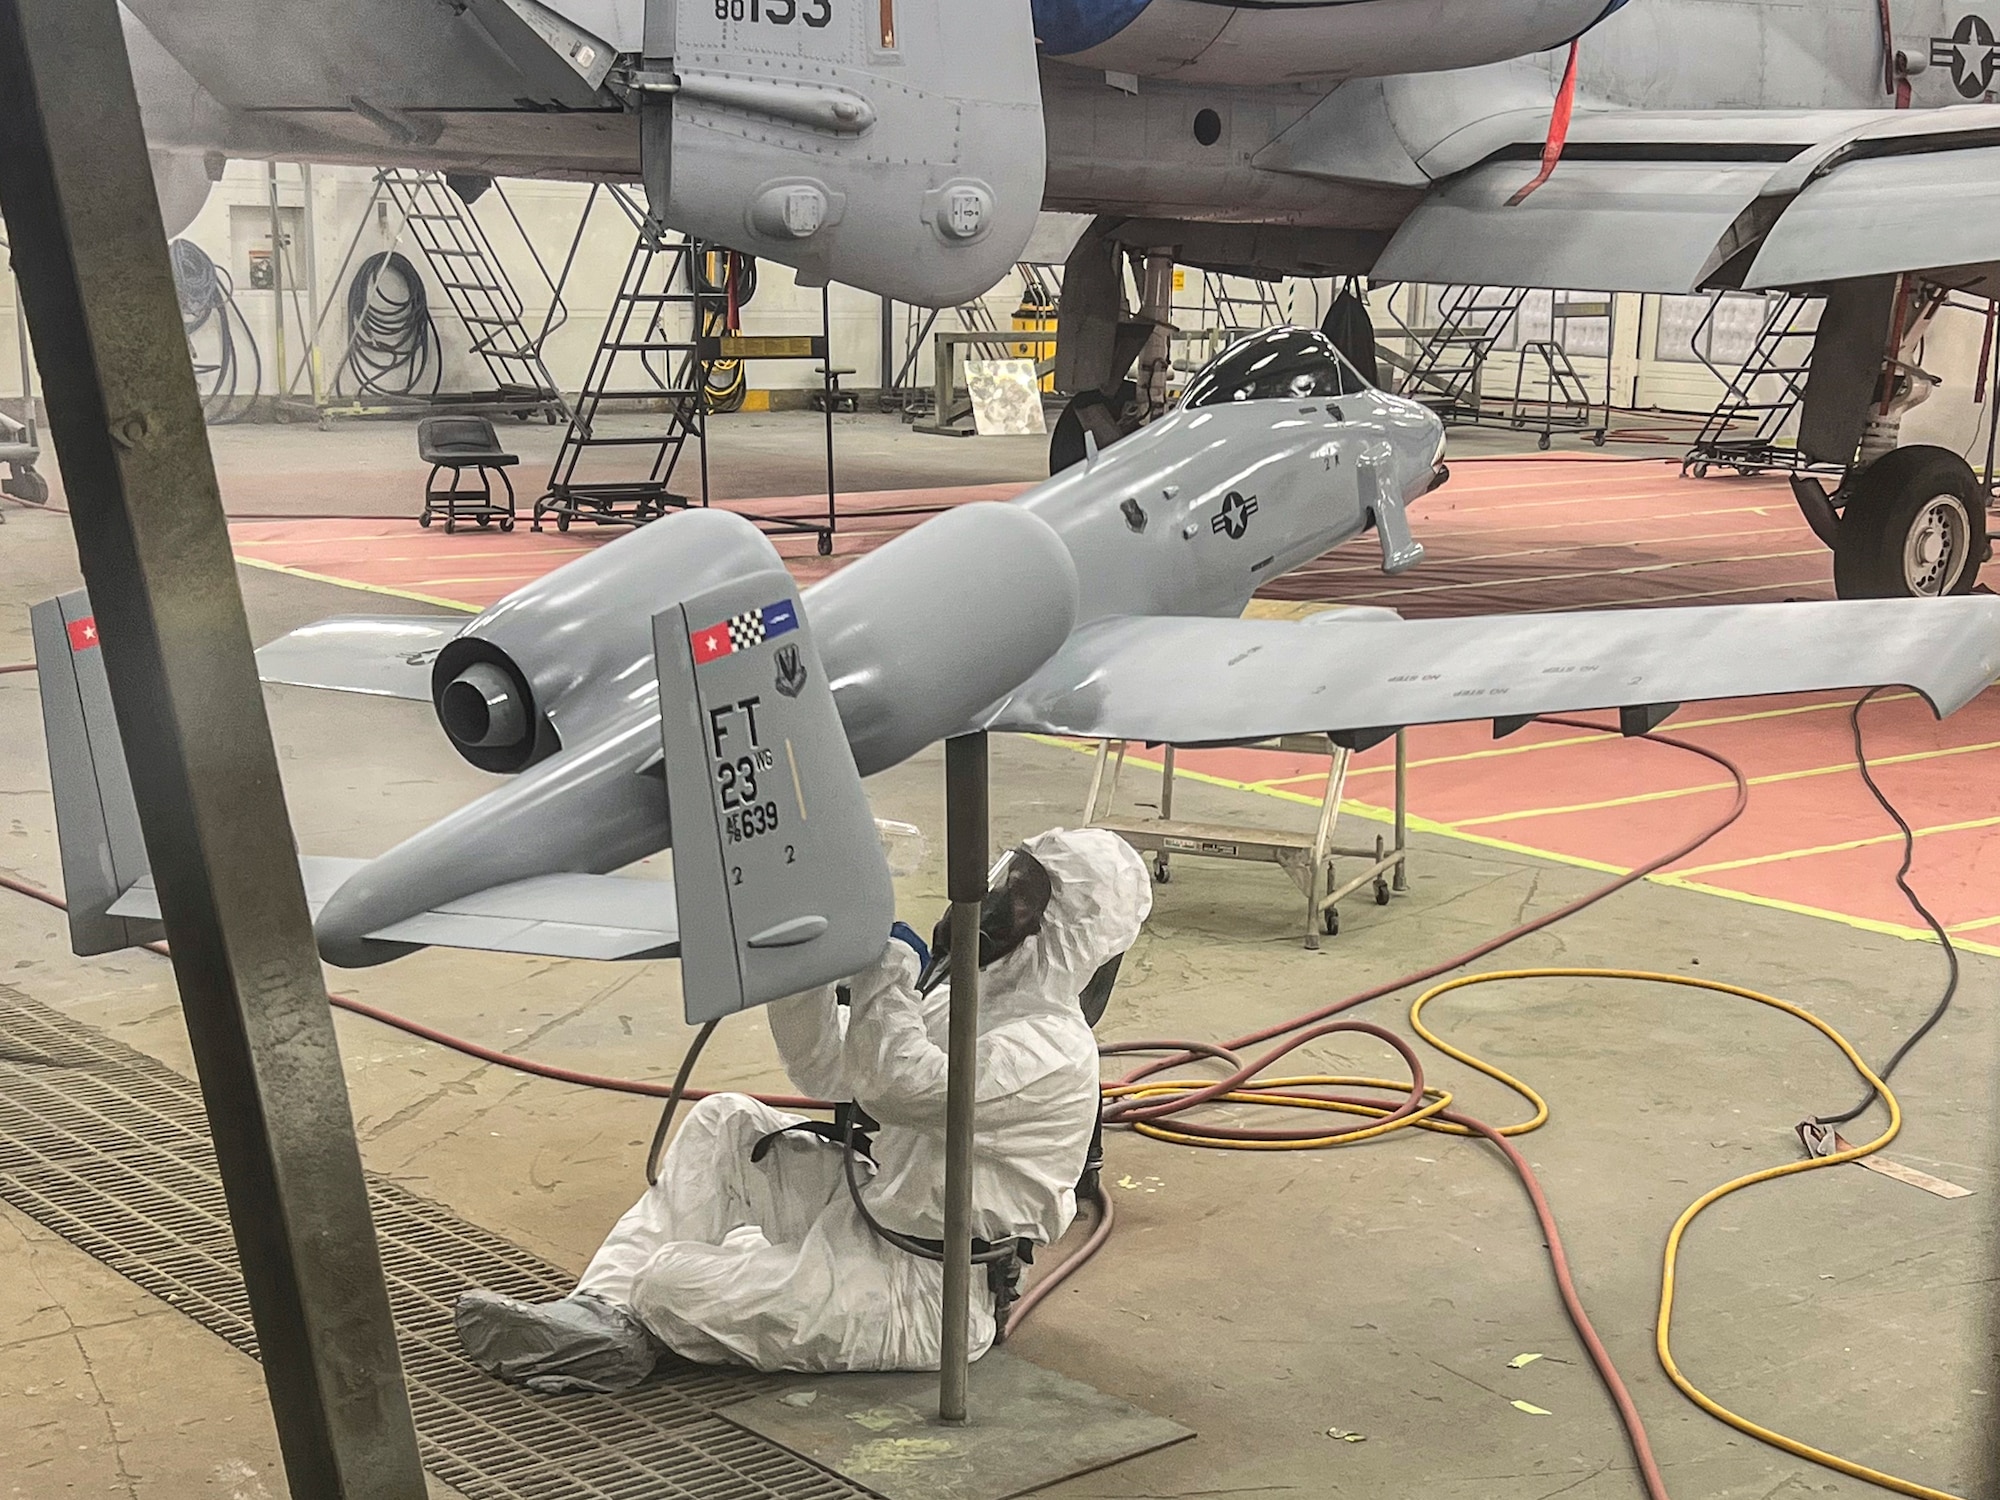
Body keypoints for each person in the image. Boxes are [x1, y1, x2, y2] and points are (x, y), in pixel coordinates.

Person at [455, 827, 1151, 1389]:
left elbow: (899, 1085)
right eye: (1007, 883)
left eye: (1024, 898)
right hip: (869, 1214)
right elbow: (829, 1070)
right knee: (727, 1121)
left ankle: (646, 1313)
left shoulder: (1053, 1049)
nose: (997, 905)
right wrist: (810, 970)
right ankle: (599, 1313)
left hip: (926, 1292)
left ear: (1069, 928)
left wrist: (884, 971)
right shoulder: (961, 1000)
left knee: (669, 1283)